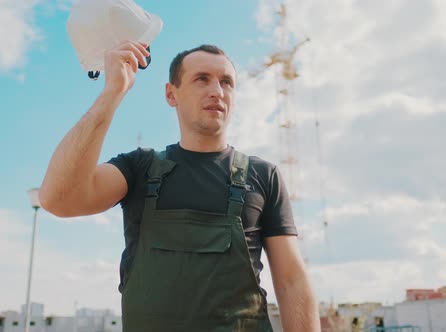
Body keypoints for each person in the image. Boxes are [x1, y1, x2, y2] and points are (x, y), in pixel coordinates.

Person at [39, 41, 320, 332]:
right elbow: (58, 199)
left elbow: (291, 281)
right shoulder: (139, 169)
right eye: (202, 79)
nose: (217, 91)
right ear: (171, 94)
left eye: (227, 82)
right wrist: (112, 93)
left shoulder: (264, 175)